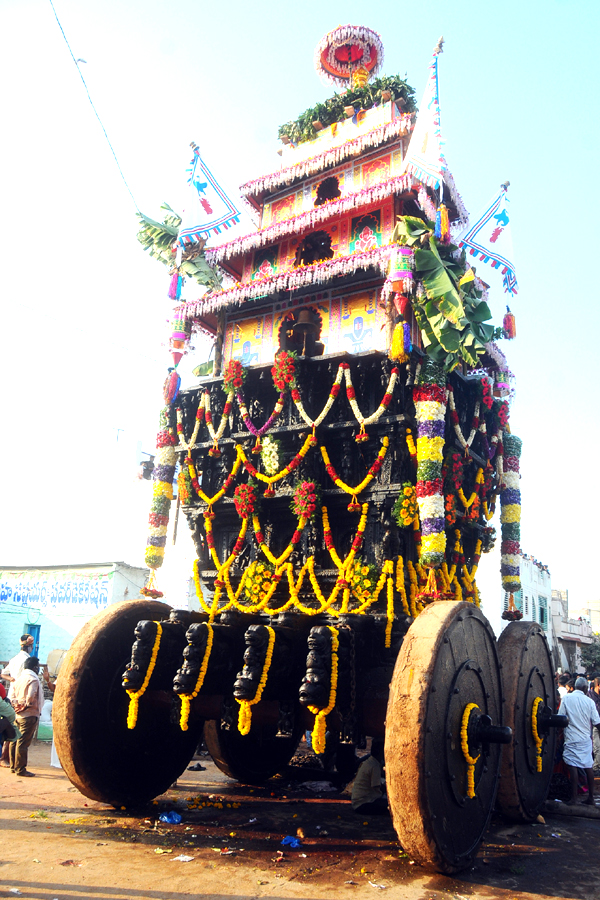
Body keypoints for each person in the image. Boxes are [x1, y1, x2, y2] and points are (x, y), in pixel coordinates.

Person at [558, 675, 600, 805]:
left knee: (573, 767)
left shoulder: (566, 699)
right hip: (585, 740)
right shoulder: (589, 702)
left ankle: (574, 798)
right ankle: (591, 798)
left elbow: (560, 718)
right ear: (584, 688)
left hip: (571, 738)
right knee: (588, 767)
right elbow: (597, 722)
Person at [0, 635, 34, 766]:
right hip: (21, 697)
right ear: (29, 646)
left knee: (12, 725)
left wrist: (12, 680)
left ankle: (7, 757)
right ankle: (5, 757)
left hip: (11, 696)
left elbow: (3, 673)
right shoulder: (28, 660)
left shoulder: (14, 658)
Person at [9, 656, 44, 777]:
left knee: (15, 740)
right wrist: (25, 706)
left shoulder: (19, 679)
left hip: (18, 714)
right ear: (35, 667)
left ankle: (13, 766)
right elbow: (31, 696)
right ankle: (21, 769)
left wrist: (17, 706)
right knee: (23, 742)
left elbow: (12, 697)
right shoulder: (33, 679)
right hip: (29, 714)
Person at [351, 740, 387, 815]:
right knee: (389, 808)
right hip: (363, 804)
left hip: (357, 803)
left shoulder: (369, 762)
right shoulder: (375, 766)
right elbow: (377, 786)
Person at [588, 677, 600, 773]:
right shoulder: (590, 696)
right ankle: (596, 767)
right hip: (594, 725)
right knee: (596, 746)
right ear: (598, 685)